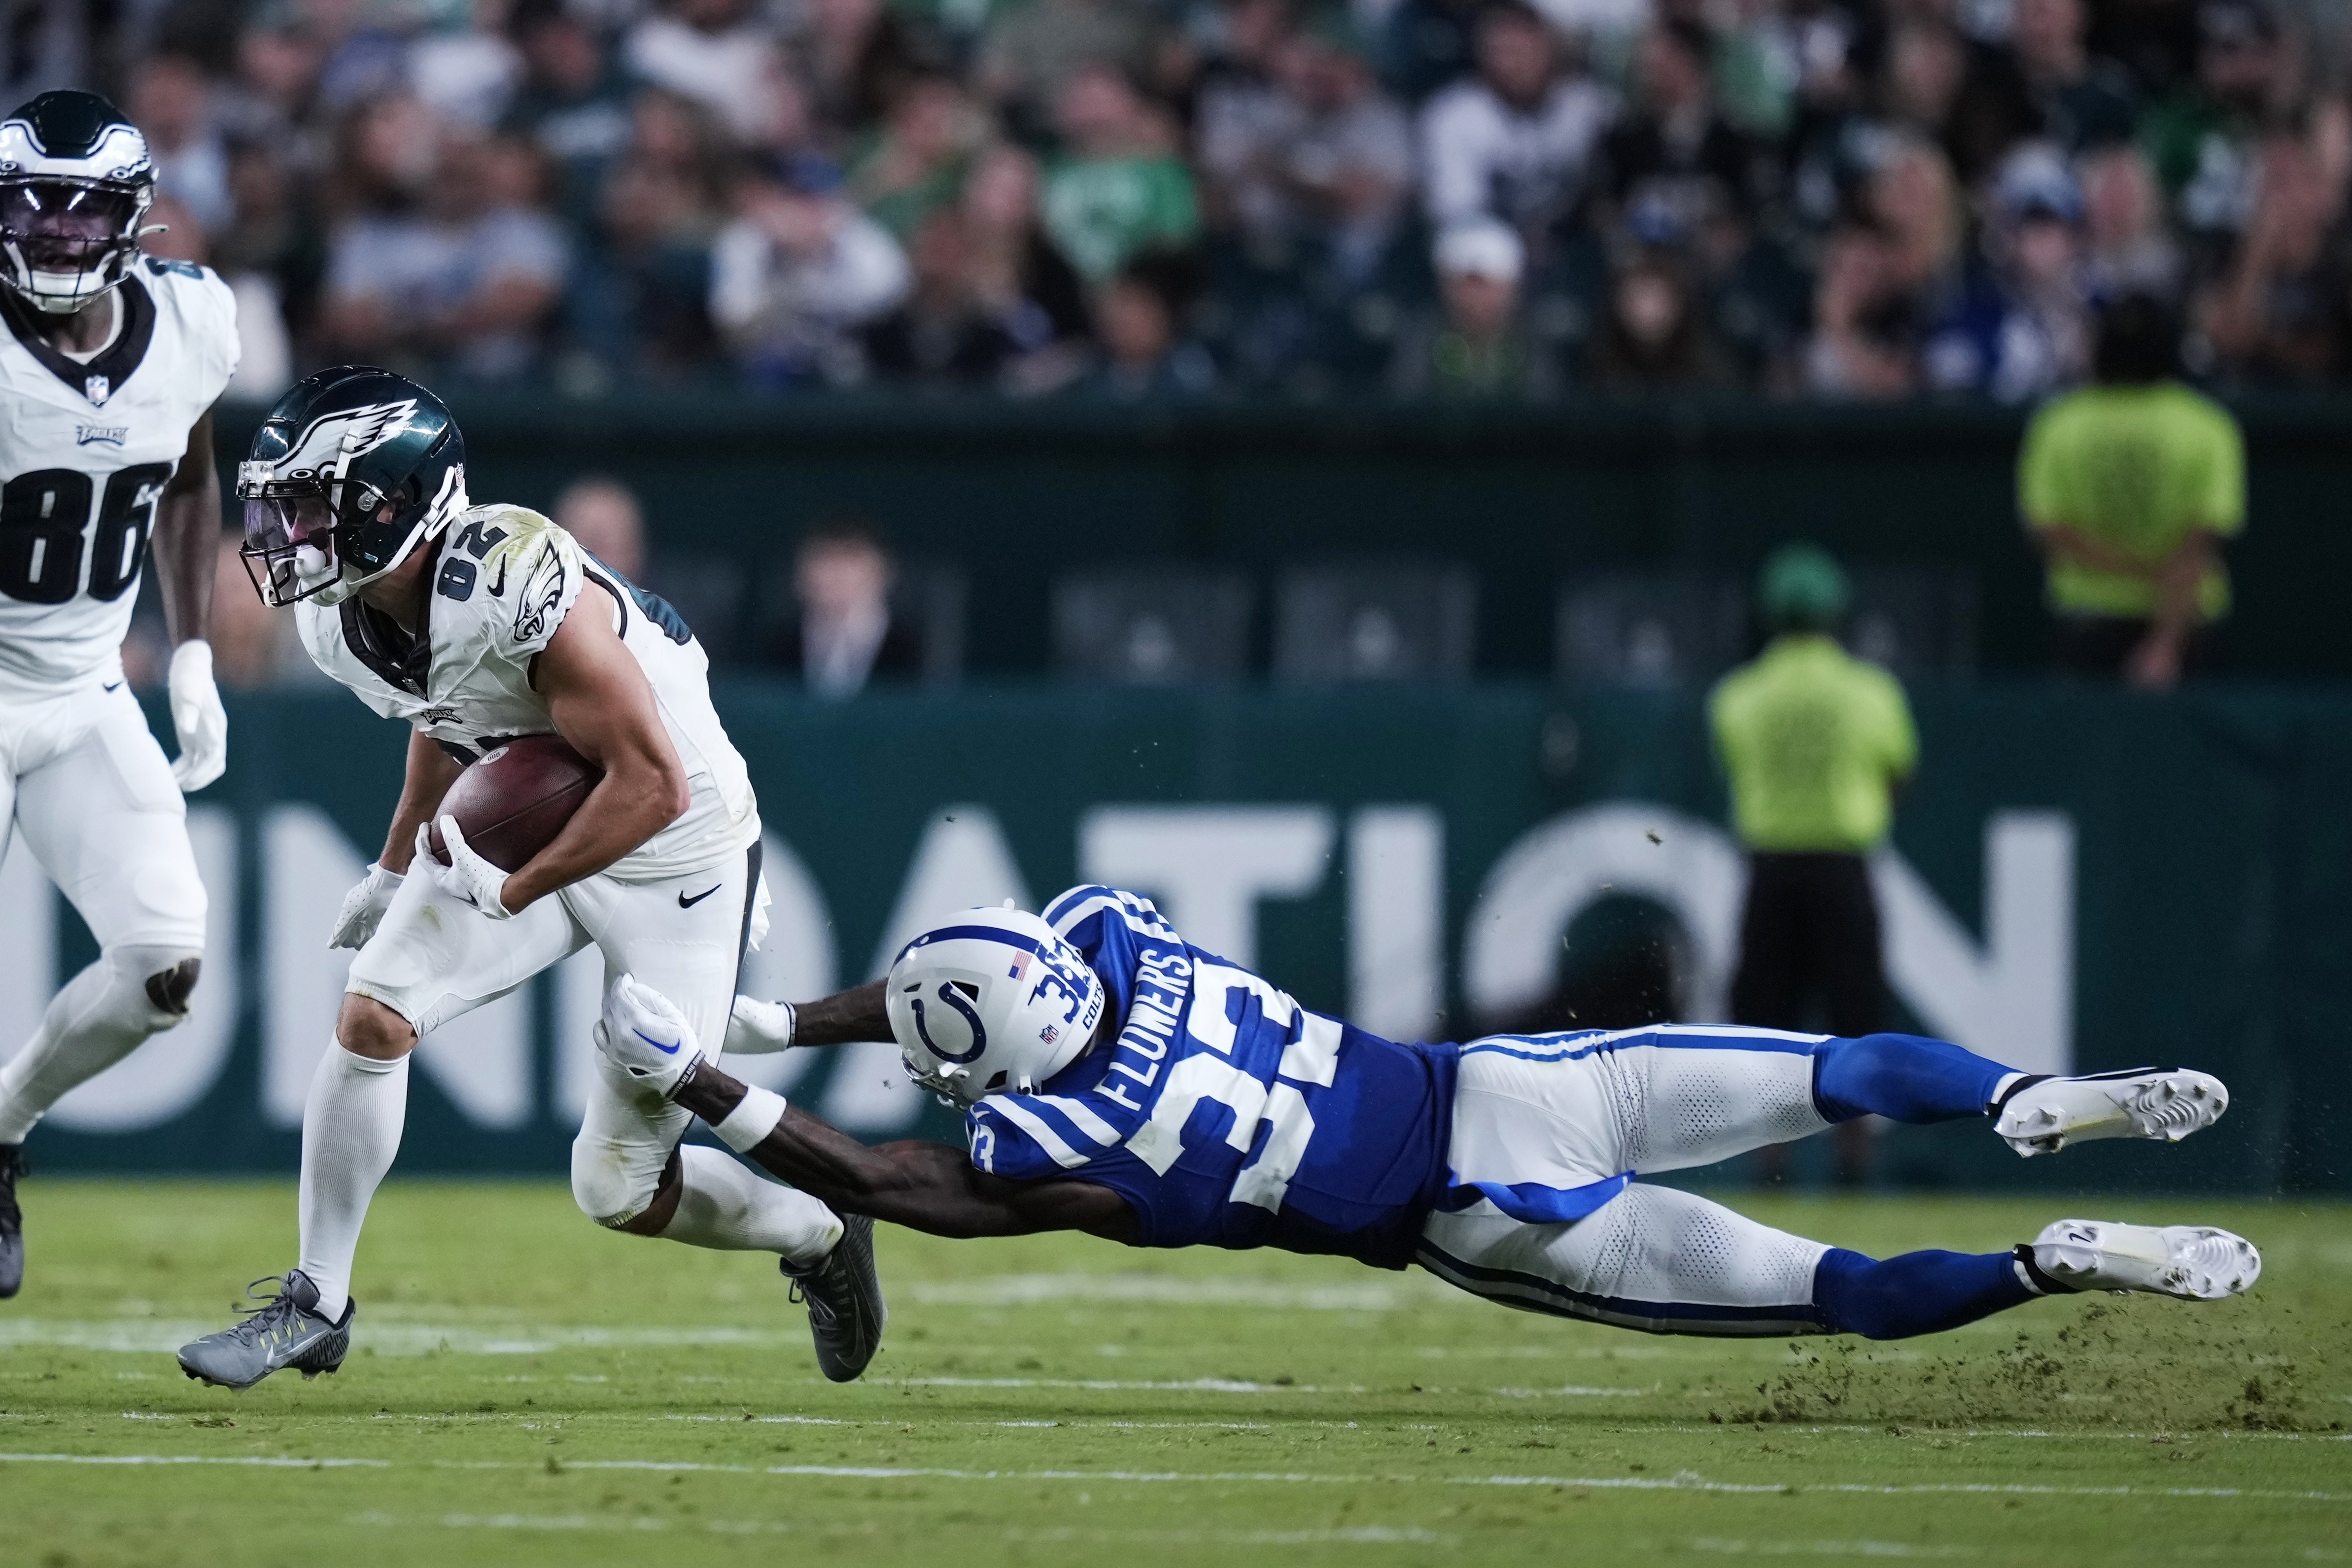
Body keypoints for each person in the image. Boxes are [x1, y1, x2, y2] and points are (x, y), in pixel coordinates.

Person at [624, 886, 2251, 1354]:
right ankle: (2028, 1096)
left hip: (1478, 1222)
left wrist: (709, 1079)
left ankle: (2048, 1262)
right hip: (1515, 1083)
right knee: (1825, 1067)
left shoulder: (1076, 1148)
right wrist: (768, 1018)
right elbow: (956, 981)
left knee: (1831, 1292)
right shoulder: (1122, 940)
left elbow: (897, 1179)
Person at [174, 366, 878, 1390]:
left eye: (312, 504)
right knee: (375, 1012)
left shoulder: (513, 578)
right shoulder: (341, 618)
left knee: (618, 1186)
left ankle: (819, 1231)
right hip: (555, 806)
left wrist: (511, 887)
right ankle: (317, 1300)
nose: (288, 531)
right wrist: (392, 864)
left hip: (673, 847)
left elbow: (650, 785)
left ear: (392, 500)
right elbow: (447, 720)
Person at [0, 90, 239, 1299]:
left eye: (78, 208)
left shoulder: (193, 322)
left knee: (162, 965)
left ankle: (0, 1132)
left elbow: (190, 474)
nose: (51, 232)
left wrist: (189, 646)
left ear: (130, 217)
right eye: (30, 205)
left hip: (86, 680)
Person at [1710, 544, 1915, 1186]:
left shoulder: (1738, 695)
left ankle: (1772, 1161)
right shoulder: (1872, 692)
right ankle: (1854, 1158)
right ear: (1836, 614)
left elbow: (1739, 767)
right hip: (1841, 866)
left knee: (1767, 1019)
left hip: (1769, 868)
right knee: (1853, 1014)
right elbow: (1897, 774)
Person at [2020, 295, 2246, 688]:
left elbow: (2052, 532)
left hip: (2088, 626)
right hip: (2183, 625)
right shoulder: (2208, 426)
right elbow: (2200, 545)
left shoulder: (2058, 423)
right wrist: (2166, 643)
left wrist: (2159, 625)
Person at [773, 520, 920, 697]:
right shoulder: (776, 648)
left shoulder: (920, 650)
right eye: (824, 558)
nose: (838, 573)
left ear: (882, 570)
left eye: (852, 558)